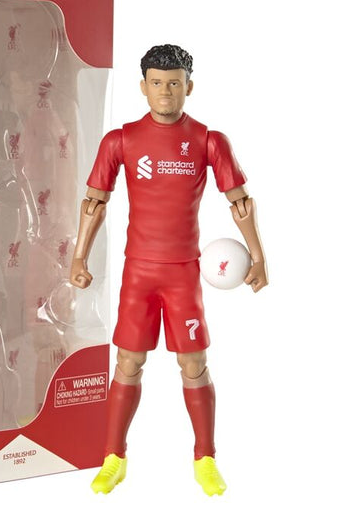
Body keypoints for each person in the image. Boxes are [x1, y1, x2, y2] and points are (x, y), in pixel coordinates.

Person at [70, 44, 268, 496]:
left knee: (194, 364)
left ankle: (205, 459)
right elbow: (94, 201)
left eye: (174, 83)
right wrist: (78, 257)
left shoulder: (208, 140)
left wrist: (258, 257)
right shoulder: (120, 140)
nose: (165, 92)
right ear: (143, 87)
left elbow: (239, 201)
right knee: (127, 361)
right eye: (157, 83)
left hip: (183, 274)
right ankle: (113, 457)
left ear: (188, 87)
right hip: (138, 272)